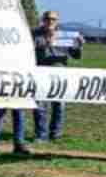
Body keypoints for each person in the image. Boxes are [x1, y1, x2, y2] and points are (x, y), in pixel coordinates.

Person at [33, 10, 83, 143]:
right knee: (40, 105)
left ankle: (56, 134)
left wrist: (78, 45)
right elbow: (29, 49)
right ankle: (41, 135)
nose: (50, 21)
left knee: (59, 104)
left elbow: (76, 56)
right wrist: (46, 43)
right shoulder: (34, 34)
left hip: (60, 74)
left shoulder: (65, 35)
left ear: (57, 21)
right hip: (41, 72)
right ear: (43, 20)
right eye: (48, 19)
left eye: (54, 19)